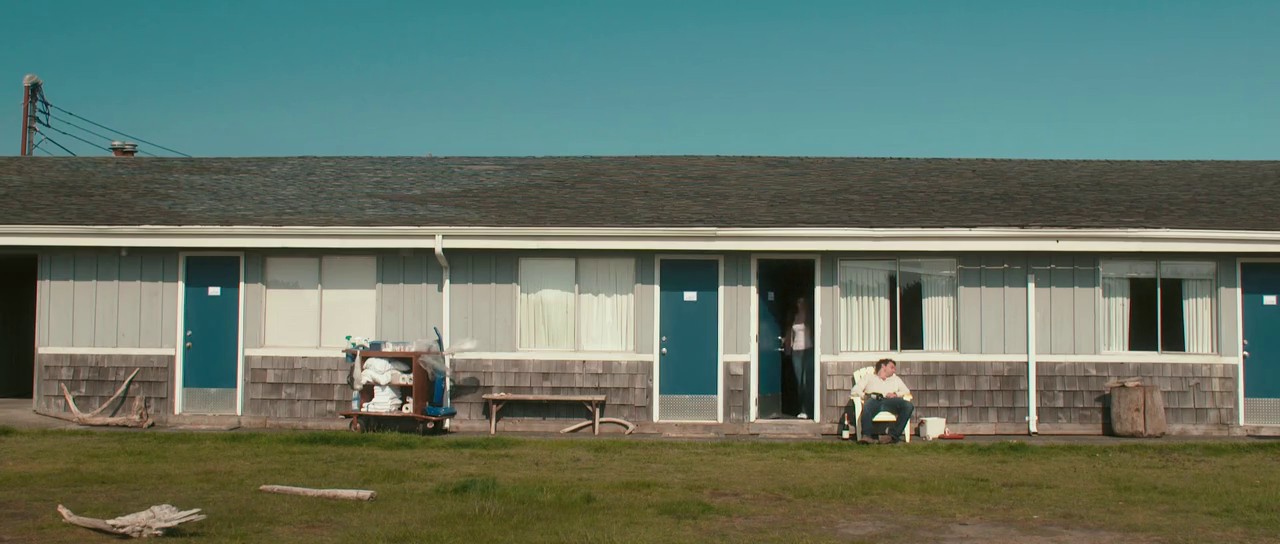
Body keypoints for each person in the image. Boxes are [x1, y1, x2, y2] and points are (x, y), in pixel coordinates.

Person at [849, 358, 913, 444]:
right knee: (867, 405)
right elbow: (855, 390)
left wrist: (896, 394)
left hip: (891, 401)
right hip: (874, 400)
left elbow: (906, 391)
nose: (894, 370)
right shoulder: (869, 377)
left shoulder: (896, 379)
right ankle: (866, 436)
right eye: (892, 367)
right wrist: (865, 396)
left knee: (908, 406)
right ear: (883, 366)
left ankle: (892, 436)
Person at [782, 297, 813, 419]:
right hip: (796, 351)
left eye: (802, 302)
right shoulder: (794, 317)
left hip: (808, 350)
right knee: (799, 381)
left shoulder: (810, 317)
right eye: (798, 302)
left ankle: (807, 409)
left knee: (805, 381)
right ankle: (801, 409)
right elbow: (790, 334)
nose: (800, 304)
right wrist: (787, 347)